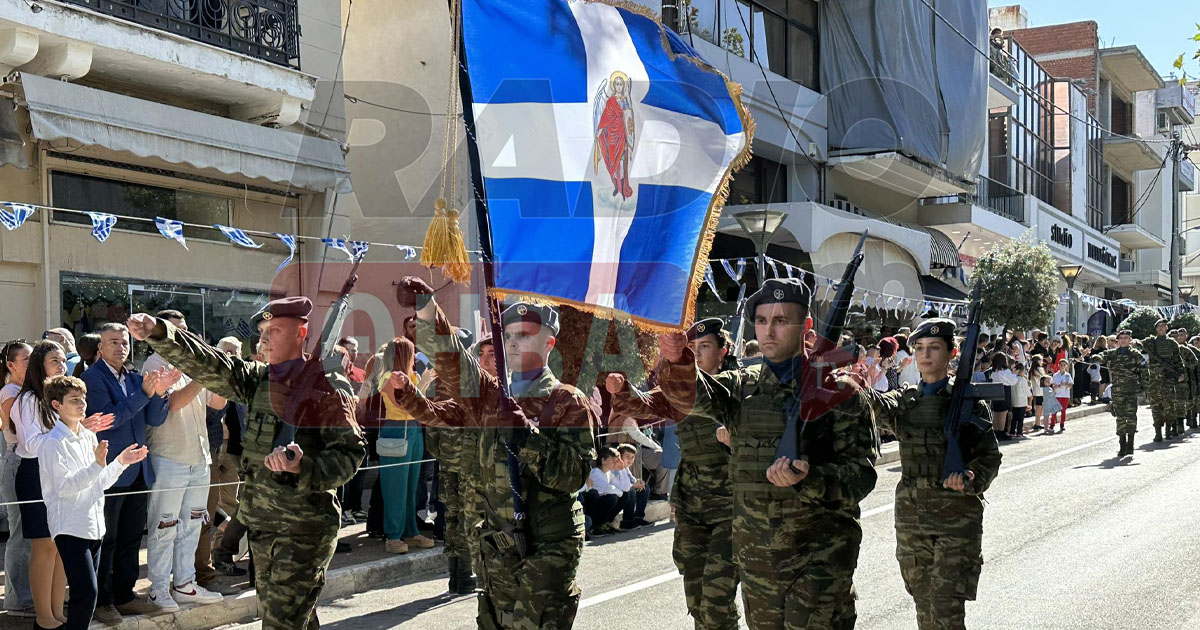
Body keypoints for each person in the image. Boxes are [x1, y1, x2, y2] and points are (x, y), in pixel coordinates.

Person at [126, 296, 366, 630]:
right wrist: (160, 332)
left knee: (281, 621)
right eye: (262, 331)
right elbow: (212, 365)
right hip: (263, 524)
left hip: (304, 527)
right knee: (291, 616)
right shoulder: (258, 379)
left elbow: (349, 454)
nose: (264, 339)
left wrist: (302, 467)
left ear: (302, 332)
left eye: (275, 330)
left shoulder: (327, 386)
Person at [654, 277, 879, 629]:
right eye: (761, 321)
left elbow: (861, 475)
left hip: (819, 561)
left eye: (780, 321)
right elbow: (692, 397)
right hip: (758, 562)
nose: (769, 332)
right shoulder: (743, 385)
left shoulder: (840, 392)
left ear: (805, 326)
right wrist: (677, 360)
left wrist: (810, 479)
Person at [395, 276, 597, 629]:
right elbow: (455, 362)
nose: (514, 343)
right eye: (509, 335)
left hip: (547, 544)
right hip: (498, 542)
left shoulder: (566, 400)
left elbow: (573, 476)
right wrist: (427, 306)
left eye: (525, 335)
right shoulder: (490, 397)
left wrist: (527, 436)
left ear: (549, 343)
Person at [862, 319, 1002, 630]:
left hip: (956, 517)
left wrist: (969, 476)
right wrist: (854, 383)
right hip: (912, 517)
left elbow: (989, 457)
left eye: (934, 348)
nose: (926, 355)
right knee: (924, 605)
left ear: (952, 353)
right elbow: (872, 403)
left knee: (946, 609)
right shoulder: (905, 402)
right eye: (920, 348)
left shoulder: (968, 402)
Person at [607, 317, 740, 630]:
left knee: (716, 593)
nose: (697, 353)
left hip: (732, 506)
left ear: (723, 351)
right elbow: (645, 404)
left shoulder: (738, 385)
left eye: (704, 347)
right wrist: (622, 388)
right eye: (691, 347)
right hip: (693, 503)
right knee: (695, 592)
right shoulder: (680, 393)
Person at [13, 341, 121, 628]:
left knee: (64, 552)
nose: (61, 364)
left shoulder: (74, 418)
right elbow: (32, 443)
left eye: (63, 360)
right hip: (37, 471)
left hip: (72, 471)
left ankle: (59, 612)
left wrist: (82, 431)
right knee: (45, 547)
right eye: (54, 360)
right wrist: (73, 431)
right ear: (39, 364)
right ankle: (44, 616)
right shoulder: (28, 400)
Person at [81, 323, 176, 623]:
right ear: (100, 348)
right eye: (113, 342)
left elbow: (155, 420)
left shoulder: (135, 378)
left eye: (124, 343)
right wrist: (144, 394)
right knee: (106, 540)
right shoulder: (90, 379)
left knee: (132, 537)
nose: (121, 347)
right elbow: (109, 419)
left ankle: (124, 595)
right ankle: (103, 600)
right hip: (110, 470)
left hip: (137, 470)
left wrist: (161, 394)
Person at [38, 375, 149, 630]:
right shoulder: (52, 443)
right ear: (57, 405)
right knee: (85, 593)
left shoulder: (88, 437)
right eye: (74, 400)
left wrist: (120, 462)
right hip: (69, 526)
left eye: (83, 399)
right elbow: (65, 488)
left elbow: (99, 483)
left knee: (89, 594)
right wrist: (97, 465)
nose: (82, 404)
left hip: (94, 525)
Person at [140, 311, 228, 610]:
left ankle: (185, 584)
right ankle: (159, 588)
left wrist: (212, 372)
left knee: (192, 525)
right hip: (169, 456)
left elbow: (217, 404)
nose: (184, 335)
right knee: (164, 526)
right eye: (177, 330)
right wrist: (201, 377)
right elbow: (173, 404)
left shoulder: (193, 366)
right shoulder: (154, 365)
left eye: (186, 329)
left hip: (199, 455)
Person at [375, 337, 436, 554]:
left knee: (412, 485)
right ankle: (393, 536)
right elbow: (405, 403)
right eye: (411, 353)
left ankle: (410, 531)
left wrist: (421, 383)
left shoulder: (412, 376)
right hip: (397, 429)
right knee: (395, 488)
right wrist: (422, 384)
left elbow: (421, 406)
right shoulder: (389, 377)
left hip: (413, 429)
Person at [199, 337, 250, 589]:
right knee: (208, 506)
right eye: (226, 351)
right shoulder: (210, 375)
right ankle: (208, 558)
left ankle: (222, 554)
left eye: (235, 351)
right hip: (211, 448)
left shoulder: (245, 379)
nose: (231, 355)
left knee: (232, 504)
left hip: (235, 450)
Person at [0, 340, 35, 618]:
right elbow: (18, 430)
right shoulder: (9, 391)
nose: (31, 363)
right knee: (20, 532)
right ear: (11, 365)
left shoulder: (29, 389)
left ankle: (31, 595)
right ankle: (16, 600)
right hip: (18, 460)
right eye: (26, 359)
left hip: (33, 461)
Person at [1098, 330, 1147, 458]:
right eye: (1121, 338)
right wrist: (1096, 358)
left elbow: (1144, 370)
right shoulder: (1113, 354)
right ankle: (1122, 444)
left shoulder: (1136, 355)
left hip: (1131, 390)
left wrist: (1144, 387)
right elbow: (1102, 357)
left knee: (1131, 417)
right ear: (1117, 341)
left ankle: (1130, 443)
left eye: (1126, 338)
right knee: (1120, 417)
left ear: (1130, 340)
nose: (1124, 340)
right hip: (1118, 391)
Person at [1142, 319, 1185, 442]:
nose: (1162, 328)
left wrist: (1180, 374)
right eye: (1159, 326)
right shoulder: (1150, 342)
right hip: (1154, 380)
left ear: (1167, 328)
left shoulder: (1172, 343)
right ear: (1156, 328)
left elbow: (1178, 361)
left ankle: (1168, 430)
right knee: (1156, 406)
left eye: (1164, 326)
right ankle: (1158, 432)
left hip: (1168, 379)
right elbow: (1138, 345)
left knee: (1169, 405)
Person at [580, 447, 624, 536]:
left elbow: (621, 486)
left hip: (598, 503)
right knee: (612, 498)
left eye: (617, 461)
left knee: (626, 494)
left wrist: (621, 469)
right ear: (603, 461)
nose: (616, 463)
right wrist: (621, 492)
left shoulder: (608, 473)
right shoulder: (596, 472)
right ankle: (596, 526)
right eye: (613, 461)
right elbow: (608, 488)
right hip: (593, 506)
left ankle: (605, 523)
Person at [1172, 328, 1197, 440]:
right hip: (1169, 381)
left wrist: (1185, 364)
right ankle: (1173, 425)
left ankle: (1184, 421)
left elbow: (1195, 361)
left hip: (1186, 379)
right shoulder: (1165, 350)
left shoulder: (1186, 349)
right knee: (1171, 404)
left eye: (1180, 336)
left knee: (1183, 402)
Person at [989, 354, 1018, 440]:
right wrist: (1015, 374)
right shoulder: (1006, 371)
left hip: (995, 391)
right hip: (1004, 390)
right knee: (1003, 412)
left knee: (996, 412)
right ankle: (1001, 432)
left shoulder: (993, 371)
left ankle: (996, 431)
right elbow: (1013, 381)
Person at [1049, 360, 1073, 433]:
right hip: (1057, 395)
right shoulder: (1055, 375)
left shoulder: (1068, 375)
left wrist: (1065, 384)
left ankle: (1062, 424)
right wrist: (1055, 386)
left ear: (1066, 366)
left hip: (1065, 395)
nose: (1062, 366)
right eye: (1061, 365)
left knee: (1063, 410)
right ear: (1058, 365)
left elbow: (1070, 385)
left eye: (1064, 365)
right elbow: (1053, 385)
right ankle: (1052, 424)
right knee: (1054, 410)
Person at [1009, 363, 1032, 437]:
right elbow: (1027, 391)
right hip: (1022, 402)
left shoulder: (1012, 379)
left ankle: (1012, 431)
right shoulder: (1023, 380)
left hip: (1014, 401)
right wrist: (1030, 396)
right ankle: (1019, 432)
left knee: (1014, 418)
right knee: (1020, 418)